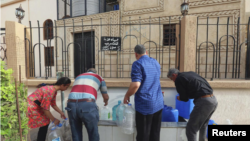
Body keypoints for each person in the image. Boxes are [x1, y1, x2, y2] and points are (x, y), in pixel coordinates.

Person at [123, 44, 164, 141]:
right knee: (155, 134)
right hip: (158, 103)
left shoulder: (138, 64)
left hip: (145, 105)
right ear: (146, 52)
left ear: (135, 54)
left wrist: (127, 95)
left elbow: (136, 85)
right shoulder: (155, 62)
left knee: (143, 136)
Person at [167, 68, 218, 141]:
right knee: (203, 125)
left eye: (172, 79)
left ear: (174, 75)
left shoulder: (179, 79)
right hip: (213, 100)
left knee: (191, 128)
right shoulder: (190, 74)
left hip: (204, 102)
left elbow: (184, 98)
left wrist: (179, 97)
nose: (173, 81)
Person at [66, 68, 109, 141]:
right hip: (87, 105)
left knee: (76, 133)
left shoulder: (79, 76)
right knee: (93, 133)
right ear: (95, 72)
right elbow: (105, 96)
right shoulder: (99, 77)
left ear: (87, 72)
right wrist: (106, 102)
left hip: (71, 104)